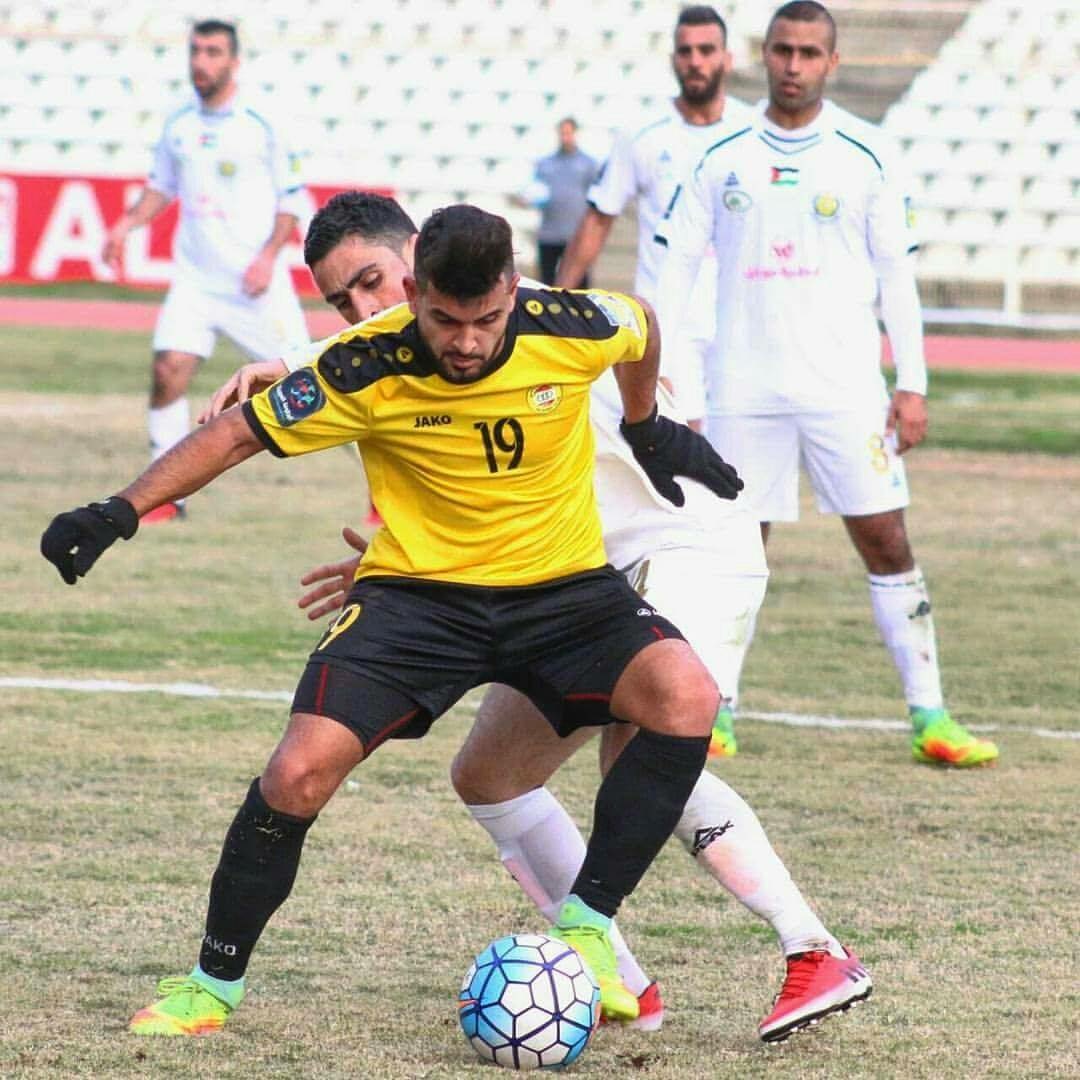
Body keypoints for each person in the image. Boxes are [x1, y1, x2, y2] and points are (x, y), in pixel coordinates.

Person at [42, 204, 748, 1037]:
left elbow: (644, 325)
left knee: (686, 697)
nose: (466, 342)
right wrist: (118, 511)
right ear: (415, 295)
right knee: (296, 774)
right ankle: (211, 984)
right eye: (445, 321)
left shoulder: (569, 321)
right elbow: (236, 435)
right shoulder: (362, 363)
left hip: (561, 591)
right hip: (418, 600)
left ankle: (589, 926)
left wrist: (645, 424)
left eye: (486, 320)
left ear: (512, 292)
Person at [207, 191, 873, 1043]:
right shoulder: (418, 352)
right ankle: (619, 979)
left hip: (686, 540)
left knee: (643, 733)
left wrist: (289, 361)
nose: (363, 310)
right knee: (489, 775)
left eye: (372, 282)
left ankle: (814, 950)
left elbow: (629, 340)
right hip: (569, 582)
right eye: (341, 301)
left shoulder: (518, 322)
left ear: (417, 261)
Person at [653, 0, 998, 767]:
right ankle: (715, 711)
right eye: (783, 49)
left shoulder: (867, 152)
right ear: (764, 54)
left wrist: (912, 382)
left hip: (845, 390)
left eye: (810, 52)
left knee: (886, 540)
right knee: (735, 551)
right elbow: (674, 274)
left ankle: (930, 716)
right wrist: (671, 381)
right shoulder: (721, 156)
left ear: (832, 62)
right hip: (743, 389)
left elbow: (896, 276)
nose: (794, 64)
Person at [554, 4, 751, 757]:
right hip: (661, 344)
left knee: (732, 511)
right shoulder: (642, 137)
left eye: (707, 49)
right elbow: (598, 220)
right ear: (675, 57)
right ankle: (678, 675)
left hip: (739, 337)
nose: (695, 60)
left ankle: (708, 682)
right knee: (671, 497)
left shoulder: (752, 136)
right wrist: (559, 304)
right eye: (686, 50)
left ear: (726, 57)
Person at [101, 18, 309, 524]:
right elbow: (162, 186)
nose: (201, 62)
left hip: (255, 285)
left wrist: (267, 257)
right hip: (196, 280)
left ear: (234, 61)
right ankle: (163, 500)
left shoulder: (262, 123)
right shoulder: (179, 124)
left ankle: (381, 490)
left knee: (313, 388)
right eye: (196, 51)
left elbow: (292, 201)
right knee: (167, 370)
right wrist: (126, 224)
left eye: (213, 52)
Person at [520, 117, 599, 286]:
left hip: (576, 233)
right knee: (547, 282)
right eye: (562, 133)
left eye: (568, 133)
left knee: (578, 282)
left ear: (575, 134)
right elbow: (535, 191)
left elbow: (595, 197)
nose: (565, 137)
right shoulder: (545, 163)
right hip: (549, 232)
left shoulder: (588, 164)